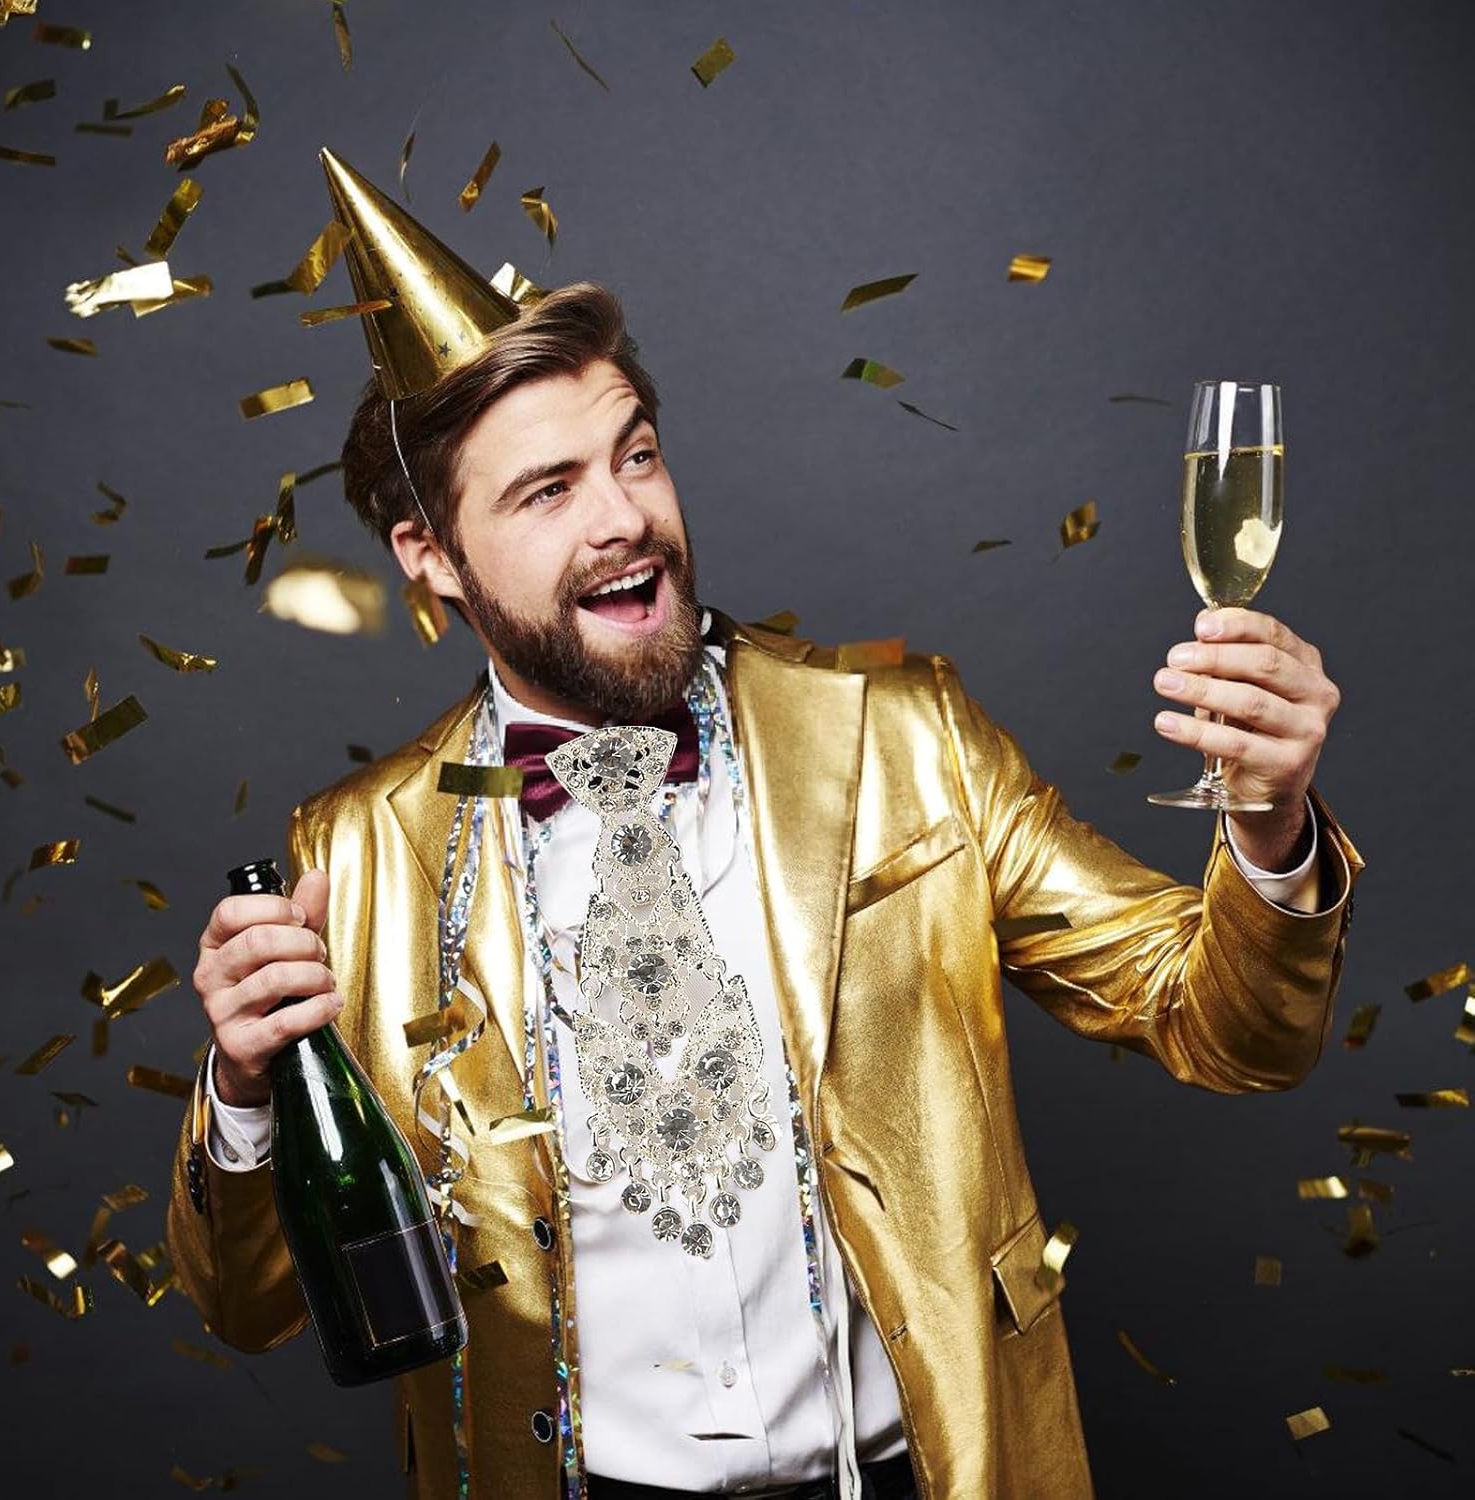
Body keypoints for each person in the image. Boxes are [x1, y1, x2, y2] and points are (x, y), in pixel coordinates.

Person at [167, 151, 1363, 1500]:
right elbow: (251, 1306)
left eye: (636, 455)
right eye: (548, 491)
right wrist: (246, 1094)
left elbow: (1231, 1033)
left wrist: (1270, 827)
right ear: (430, 558)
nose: (625, 519)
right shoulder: (355, 857)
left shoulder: (904, 736)